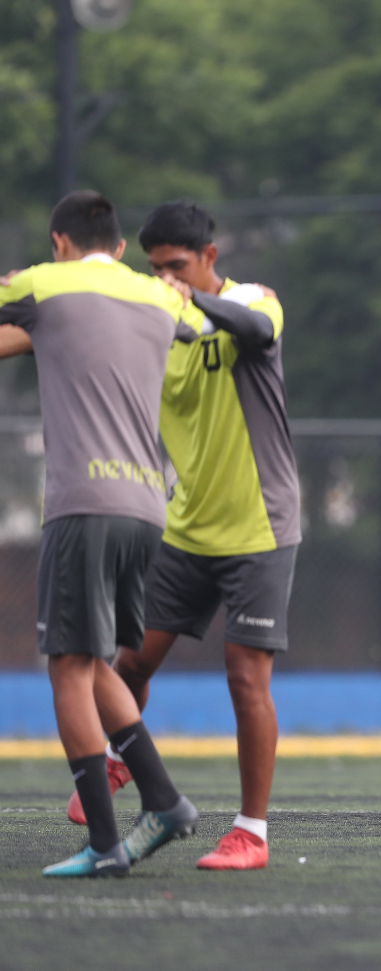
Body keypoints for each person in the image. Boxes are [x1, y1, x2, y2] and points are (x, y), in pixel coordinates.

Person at [59, 201, 298, 871]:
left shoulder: (253, 300)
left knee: (245, 676)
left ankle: (251, 831)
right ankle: (117, 761)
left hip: (260, 524)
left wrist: (189, 300)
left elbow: (253, 328)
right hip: (186, 525)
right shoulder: (154, 316)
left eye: (178, 265)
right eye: (155, 266)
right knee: (128, 662)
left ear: (209, 258)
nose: (165, 276)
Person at [0, 191, 203, 877]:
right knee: (95, 664)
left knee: (66, 666)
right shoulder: (157, 296)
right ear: (118, 246)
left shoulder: (40, 282)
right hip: (147, 506)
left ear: (58, 241)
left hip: (82, 502)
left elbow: (30, 315)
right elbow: (190, 329)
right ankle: (166, 801)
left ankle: (105, 843)